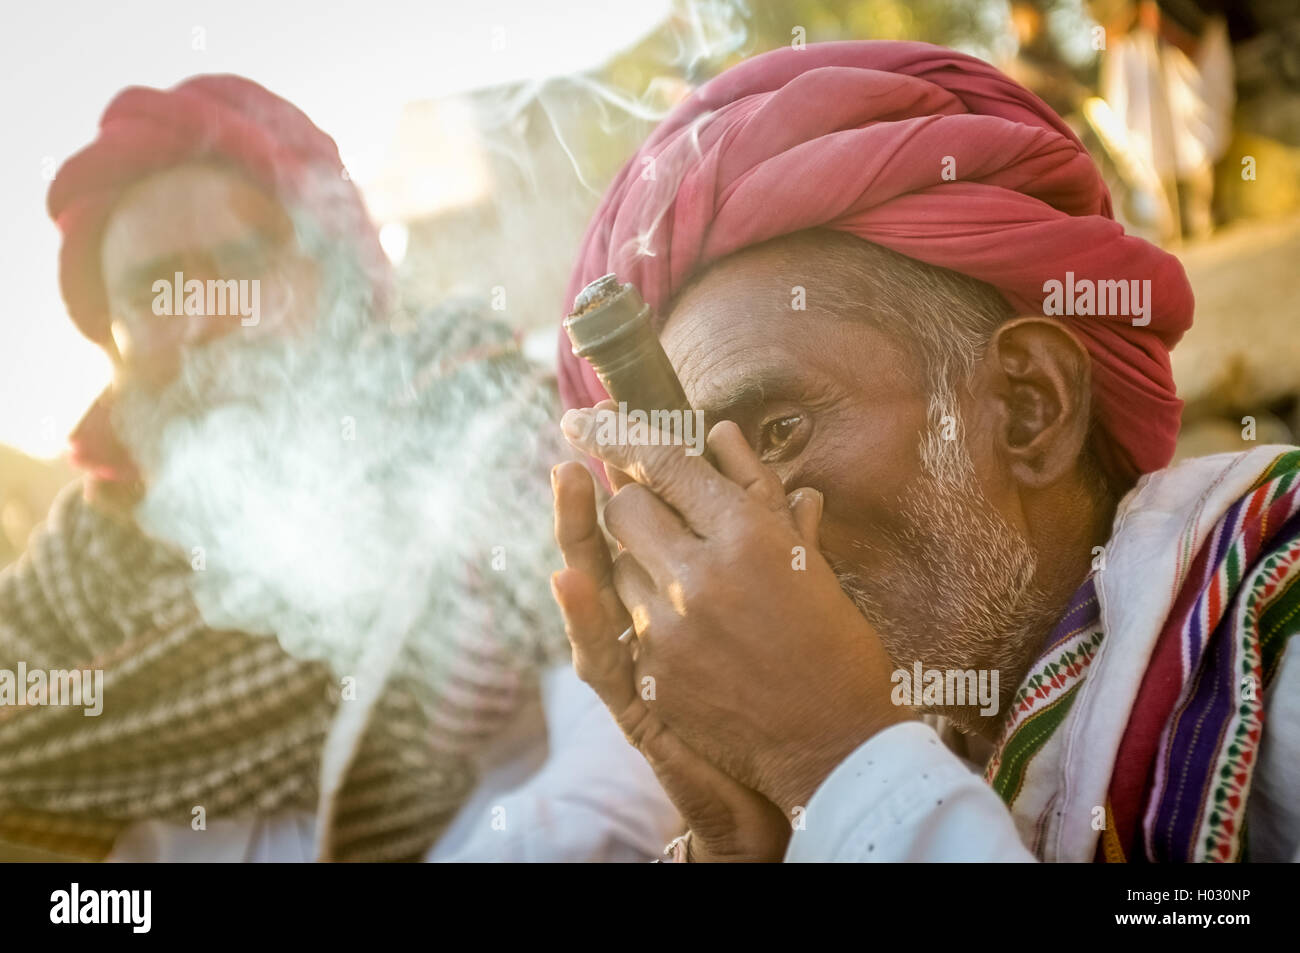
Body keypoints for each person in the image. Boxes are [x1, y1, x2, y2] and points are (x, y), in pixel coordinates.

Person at [550, 40, 1300, 863]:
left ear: (1028, 407)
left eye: (779, 433)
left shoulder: (1281, 659)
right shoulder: (953, 744)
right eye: (690, 488)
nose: (738, 536)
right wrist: (745, 843)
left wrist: (837, 761)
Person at [0, 74, 677, 862]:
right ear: (111, 336)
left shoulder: (498, 438)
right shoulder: (57, 605)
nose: (204, 315)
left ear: (337, 269)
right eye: (154, 289)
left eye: (245, 261)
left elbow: (638, 778)